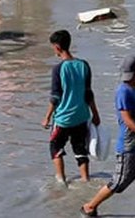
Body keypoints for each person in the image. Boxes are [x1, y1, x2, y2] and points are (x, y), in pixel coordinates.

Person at [82, 56, 135, 218]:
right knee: (118, 183)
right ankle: (90, 207)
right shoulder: (123, 91)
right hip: (130, 148)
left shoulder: (134, 90)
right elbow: (127, 120)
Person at [42, 30, 100, 186]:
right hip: (81, 116)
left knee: (55, 147)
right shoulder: (84, 65)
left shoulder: (58, 69)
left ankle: (61, 181)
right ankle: (85, 180)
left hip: (63, 118)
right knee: (80, 148)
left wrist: (47, 117)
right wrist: (95, 113)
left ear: (57, 47)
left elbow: (56, 97)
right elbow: (88, 93)